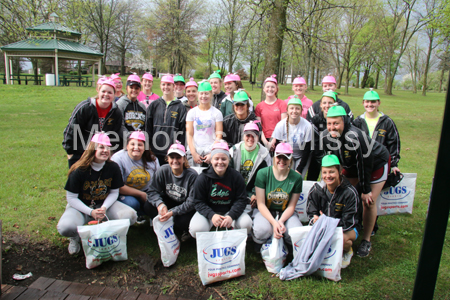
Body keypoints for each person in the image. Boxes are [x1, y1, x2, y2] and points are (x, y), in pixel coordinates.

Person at [320, 105, 390, 257]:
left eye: (336, 123)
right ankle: (347, 226)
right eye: (329, 123)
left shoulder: (354, 136)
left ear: (344, 121)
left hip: (376, 164)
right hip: (352, 164)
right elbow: (332, 161)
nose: (332, 127)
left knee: (368, 201)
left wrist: (365, 190)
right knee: (343, 193)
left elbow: (364, 164)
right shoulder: (325, 136)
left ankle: (366, 239)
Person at [57, 132, 137, 255]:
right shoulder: (79, 170)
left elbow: (114, 192)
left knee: (130, 216)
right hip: (81, 207)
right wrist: (90, 212)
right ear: (92, 148)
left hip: (103, 205)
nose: (105, 150)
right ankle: (74, 237)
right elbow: (71, 198)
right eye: (101, 147)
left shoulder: (113, 167)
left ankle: (111, 236)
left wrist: (104, 208)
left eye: (108, 148)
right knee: (66, 227)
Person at [353, 89, 401, 236]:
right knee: (359, 195)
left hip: (380, 164)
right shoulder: (357, 121)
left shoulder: (387, 122)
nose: (370, 104)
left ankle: (372, 226)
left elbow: (394, 143)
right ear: (363, 103)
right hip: (361, 165)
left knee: (372, 198)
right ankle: (359, 223)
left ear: (378, 103)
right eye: (367, 102)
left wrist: (394, 164)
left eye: (373, 102)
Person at [306, 154, 361, 268]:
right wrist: (315, 219)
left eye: (331, 172)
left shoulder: (350, 192)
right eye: (325, 172)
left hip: (347, 228)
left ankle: (347, 251)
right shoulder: (316, 189)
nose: (328, 176)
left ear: (339, 171)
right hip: (324, 225)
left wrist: (326, 222)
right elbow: (311, 212)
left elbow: (349, 222)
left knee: (343, 240)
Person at [189, 142, 253, 238]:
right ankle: (209, 231)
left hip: (229, 211)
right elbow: (198, 202)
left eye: (224, 159)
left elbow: (241, 200)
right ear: (211, 160)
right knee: (196, 229)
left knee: (246, 223)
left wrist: (231, 215)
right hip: (210, 212)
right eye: (216, 159)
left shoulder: (236, 177)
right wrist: (211, 215)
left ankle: (233, 228)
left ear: (229, 159)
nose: (220, 162)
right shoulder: (202, 178)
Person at [63, 78, 123, 168]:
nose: (106, 94)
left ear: (114, 95)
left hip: (103, 155)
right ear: (98, 91)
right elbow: (71, 130)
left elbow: (116, 136)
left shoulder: (116, 112)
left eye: (110, 92)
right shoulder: (85, 108)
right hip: (82, 153)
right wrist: (70, 153)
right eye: (103, 91)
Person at [252, 142, 303, 250]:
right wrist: (274, 223)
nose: (282, 161)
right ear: (274, 157)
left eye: (286, 158)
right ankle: (260, 242)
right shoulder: (263, 173)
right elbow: (260, 204)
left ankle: (287, 242)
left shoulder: (297, 178)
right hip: (266, 210)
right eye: (279, 157)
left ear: (290, 159)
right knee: (262, 230)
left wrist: (280, 222)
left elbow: (291, 206)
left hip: (285, 212)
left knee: (296, 232)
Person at [145, 141, 198, 241]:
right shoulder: (163, 170)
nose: (175, 160)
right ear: (167, 158)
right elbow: (152, 191)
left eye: (178, 157)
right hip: (170, 200)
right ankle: (163, 225)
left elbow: (192, 202)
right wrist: (160, 204)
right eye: (172, 157)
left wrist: (172, 212)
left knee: (182, 221)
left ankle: (182, 229)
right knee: (148, 205)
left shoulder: (192, 176)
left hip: (185, 205)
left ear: (184, 159)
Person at [111, 131, 159, 224]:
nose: (136, 148)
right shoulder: (118, 158)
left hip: (147, 191)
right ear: (127, 146)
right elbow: (118, 186)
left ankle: (149, 215)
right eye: (132, 144)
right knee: (133, 203)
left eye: (140, 145)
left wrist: (153, 195)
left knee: (155, 201)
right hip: (126, 193)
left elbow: (158, 181)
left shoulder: (152, 159)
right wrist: (141, 194)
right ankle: (139, 215)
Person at [229, 121, 272, 215]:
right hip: (236, 188)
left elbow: (266, 178)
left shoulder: (264, 154)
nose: (250, 138)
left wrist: (256, 194)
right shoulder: (234, 151)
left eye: (254, 135)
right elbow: (229, 175)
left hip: (254, 190)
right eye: (248, 135)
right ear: (243, 136)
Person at [146, 74, 187, 166]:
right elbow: (148, 128)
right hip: (154, 151)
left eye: (169, 84)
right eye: (163, 84)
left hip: (172, 152)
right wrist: (148, 148)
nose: (166, 87)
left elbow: (182, 131)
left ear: (173, 86)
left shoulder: (180, 107)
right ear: (160, 86)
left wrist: (180, 149)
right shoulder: (154, 105)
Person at [186, 80, 223, 167]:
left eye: (206, 93)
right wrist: (193, 153)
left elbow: (219, 135)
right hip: (195, 151)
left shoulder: (217, 113)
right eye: (201, 93)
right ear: (198, 95)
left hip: (210, 152)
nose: (204, 96)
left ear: (211, 94)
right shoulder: (192, 112)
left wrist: (212, 153)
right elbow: (189, 134)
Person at [272, 96, 312, 175]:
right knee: (286, 176)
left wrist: (300, 169)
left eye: (297, 108)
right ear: (287, 110)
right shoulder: (280, 125)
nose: (294, 111)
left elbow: (307, 150)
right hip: (286, 155)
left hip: (301, 156)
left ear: (301, 111)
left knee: (298, 178)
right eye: (292, 108)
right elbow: (278, 147)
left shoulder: (307, 126)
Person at [307, 91, 337, 181]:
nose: (327, 105)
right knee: (311, 179)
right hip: (317, 156)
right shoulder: (316, 120)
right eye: (324, 103)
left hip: (334, 155)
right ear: (320, 105)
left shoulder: (339, 119)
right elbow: (315, 143)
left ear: (335, 104)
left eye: (330, 103)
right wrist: (322, 160)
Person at [255, 74, 288, 154]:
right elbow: (259, 127)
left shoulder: (282, 104)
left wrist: (273, 140)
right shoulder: (259, 106)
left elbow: (283, 124)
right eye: (268, 87)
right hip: (264, 139)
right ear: (264, 89)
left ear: (276, 89)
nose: (270, 89)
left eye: (273, 87)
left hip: (278, 139)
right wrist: (266, 143)